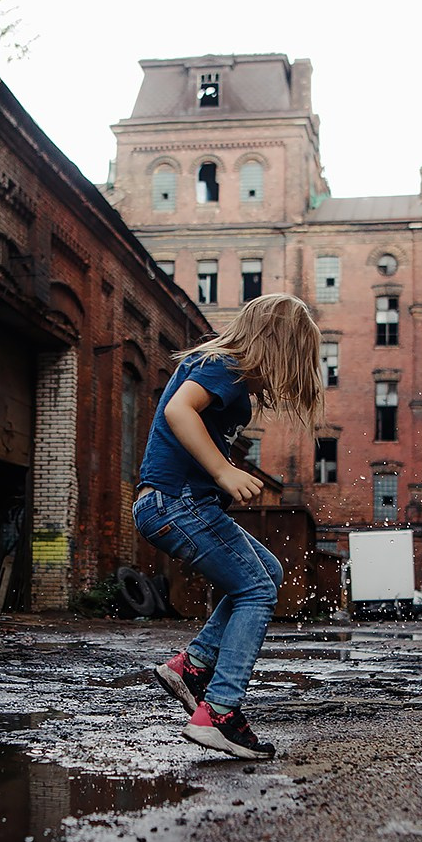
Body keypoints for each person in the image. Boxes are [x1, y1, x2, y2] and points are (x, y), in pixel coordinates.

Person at [133, 293, 323, 759]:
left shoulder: (230, 376)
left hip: (182, 504)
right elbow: (179, 411)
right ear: (278, 347)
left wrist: (223, 474)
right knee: (257, 589)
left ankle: (194, 665)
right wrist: (222, 471)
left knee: (268, 572)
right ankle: (219, 711)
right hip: (175, 503)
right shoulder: (226, 365)